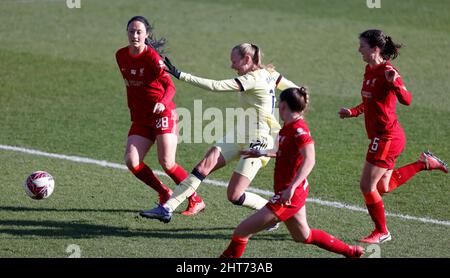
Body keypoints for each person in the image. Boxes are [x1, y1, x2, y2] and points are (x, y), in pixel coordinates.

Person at [140, 43, 299, 223]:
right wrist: (303, 96)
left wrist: (181, 75)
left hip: (259, 141)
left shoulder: (252, 79)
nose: (232, 66)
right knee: (203, 166)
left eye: (234, 61)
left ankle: (274, 213)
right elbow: (295, 90)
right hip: (240, 133)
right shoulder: (270, 74)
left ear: (247, 59)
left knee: (234, 195)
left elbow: (216, 86)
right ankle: (167, 208)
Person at [220, 87, 364, 258]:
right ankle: (351, 252)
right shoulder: (287, 127)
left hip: (288, 194)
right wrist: (263, 153)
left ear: (283, 105)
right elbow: (286, 153)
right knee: (303, 235)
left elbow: (310, 159)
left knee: (242, 231)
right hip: (289, 191)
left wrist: (292, 188)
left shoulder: (299, 129)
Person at [339, 29, 448, 244]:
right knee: (382, 187)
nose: (358, 49)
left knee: (366, 186)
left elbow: (407, 100)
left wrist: (396, 83)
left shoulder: (389, 71)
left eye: (362, 45)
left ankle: (382, 232)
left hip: (387, 137)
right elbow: (371, 100)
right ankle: (425, 163)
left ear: (375, 48)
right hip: (384, 137)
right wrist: (353, 112)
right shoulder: (369, 69)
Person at [115, 16, 204, 215]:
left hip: (162, 113)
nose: (135, 35)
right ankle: (164, 191)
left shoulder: (153, 58)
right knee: (132, 161)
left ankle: (196, 200)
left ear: (146, 35)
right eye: (131, 31)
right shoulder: (120, 55)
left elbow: (170, 87)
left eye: (139, 32)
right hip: (141, 118)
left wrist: (161, 103)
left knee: (167, 163)